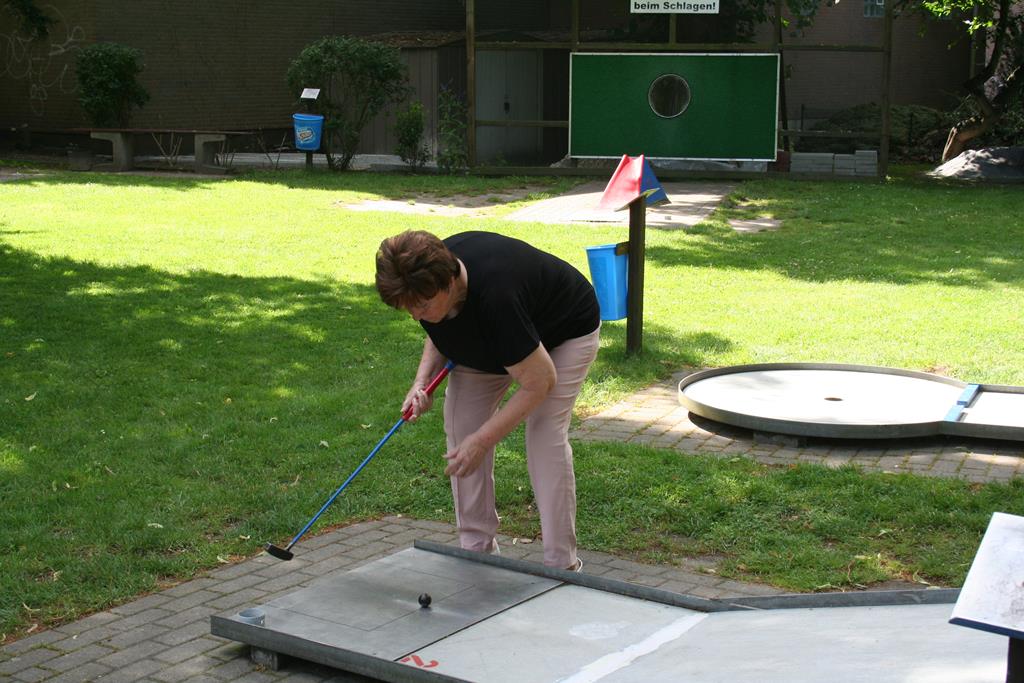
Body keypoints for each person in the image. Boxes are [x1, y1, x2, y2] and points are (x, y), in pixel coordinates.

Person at [375, 230, 601, 570]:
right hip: (498, 341)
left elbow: (539, 382)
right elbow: (439, 333)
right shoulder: (425, 280)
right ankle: (476, 551)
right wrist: (422, 384)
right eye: (408, 307)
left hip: (563, 331)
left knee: (543, 435)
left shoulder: (497, 297)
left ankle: (562, 565)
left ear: (451, 283)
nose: (416, 316)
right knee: (462, 429)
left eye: (421, 306)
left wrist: (483, 440)